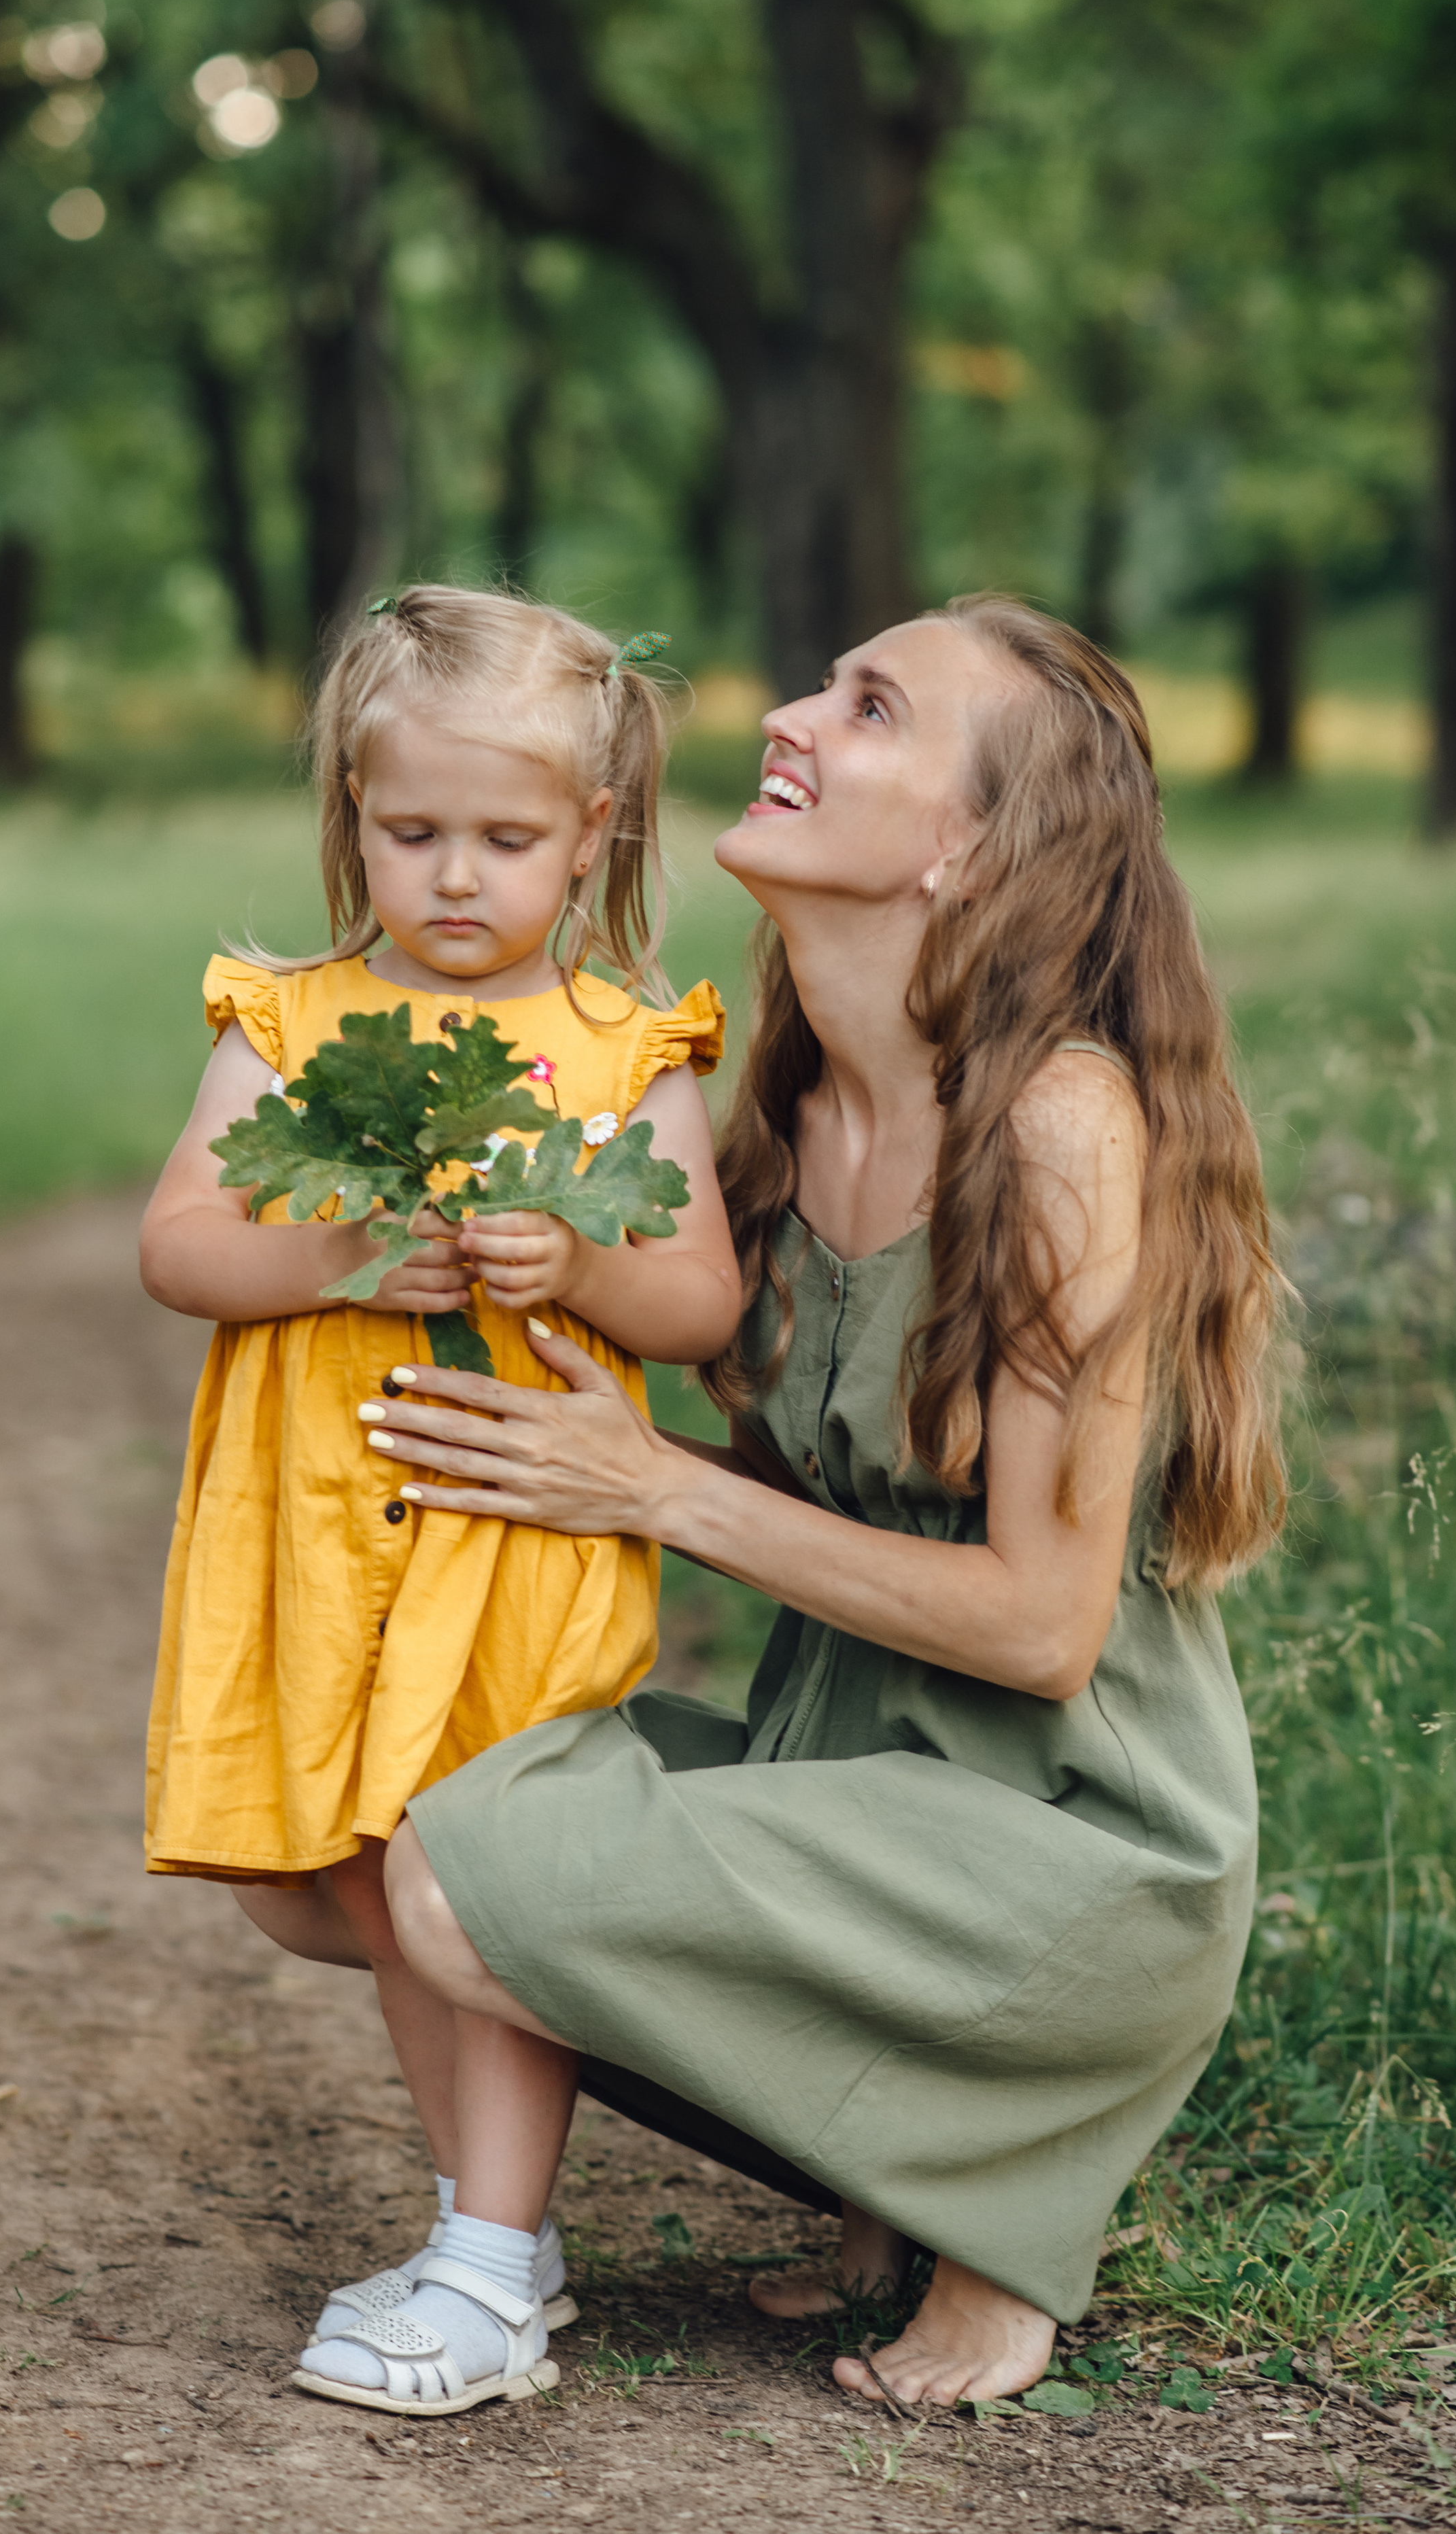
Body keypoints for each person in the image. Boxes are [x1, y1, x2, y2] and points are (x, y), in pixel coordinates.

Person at [328, 593, 1286, 2414]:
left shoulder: (1066, 1127)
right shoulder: (795, 1093)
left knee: (463, 1883)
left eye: (868, 708)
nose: (787, 713)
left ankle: (999, 2205)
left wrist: (653, 1489)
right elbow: (774, 1425)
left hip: (1074, 1848)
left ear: (969, 841)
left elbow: (1040, 1622)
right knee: (349, 1856)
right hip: (856, 1783)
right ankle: (896, 2166)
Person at [139, 585, 739, 2416]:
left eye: (506, 838)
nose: (457, 877)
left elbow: (698, 1304)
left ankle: (486, 2259)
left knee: (470, 1866)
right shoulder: (294, 1018)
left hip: (517, 1538)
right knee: (346, 1876)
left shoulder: (625, 1048)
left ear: (592, 836)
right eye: (413, 834)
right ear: (351, 816)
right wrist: (328, 1250)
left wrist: (572, 1256)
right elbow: (177, 1244)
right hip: (323, 1528)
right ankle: (497, 2226)